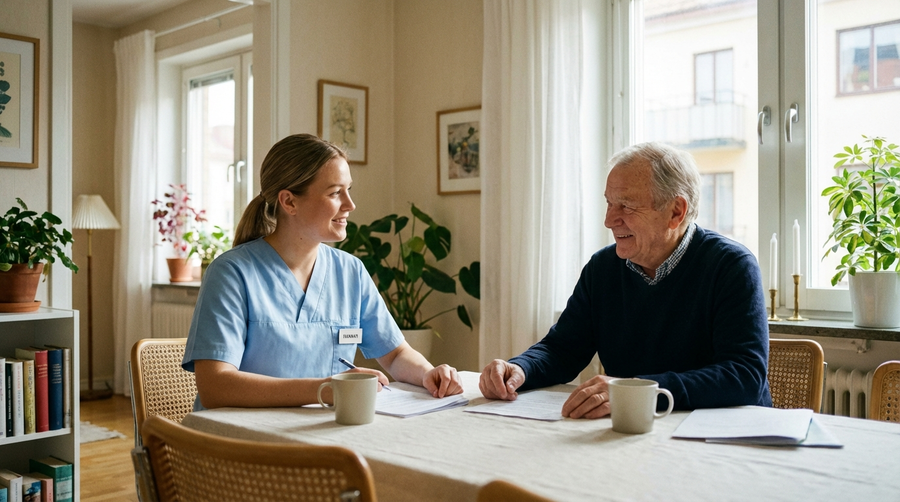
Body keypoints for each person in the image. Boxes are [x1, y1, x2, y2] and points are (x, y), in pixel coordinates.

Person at [479, 142, 771, 419]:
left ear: (675, 212)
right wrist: (521, 369)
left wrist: (635, 391)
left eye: (626, 206)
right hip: (633, 426)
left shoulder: (731, 266)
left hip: (724, 436)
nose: (609, 220)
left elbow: (743, 376)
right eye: (609, 203)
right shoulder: (602, 268)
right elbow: (562, 350)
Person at [182, 133, 463, 410]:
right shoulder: (231, 274)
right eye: (335, 193)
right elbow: (215, 387)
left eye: (348, 190)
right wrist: (324, 389)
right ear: (289, 202)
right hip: (236, 436)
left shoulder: (350, 271)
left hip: (319, 430)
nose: (350, 205)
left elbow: (396, 354)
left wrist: (427, 373)